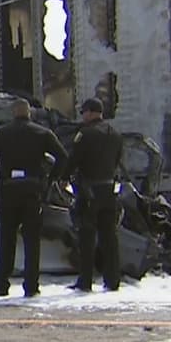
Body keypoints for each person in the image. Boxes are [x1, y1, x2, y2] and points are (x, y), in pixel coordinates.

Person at [0, 98, 68, 298]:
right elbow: (62, 157)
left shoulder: (0, 133)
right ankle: (31, 285)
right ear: (30, 113)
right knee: (31, 240)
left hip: (8, 189)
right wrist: (51, 179)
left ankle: (1, 284)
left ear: (12, 113)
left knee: (6, 238)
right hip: (32, 190)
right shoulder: (42, 133)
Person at [61, 97, 124, 293]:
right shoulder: (114, 133)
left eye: (83, 112)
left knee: (86, 238)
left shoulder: (85, 134)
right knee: (110, 238)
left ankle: (85, 281)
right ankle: (112, 280)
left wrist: (63, 178)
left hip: (89, 192)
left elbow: (74, 159)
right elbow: (117, 161)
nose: (83, 116)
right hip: (109, 191)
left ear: (89, 112)